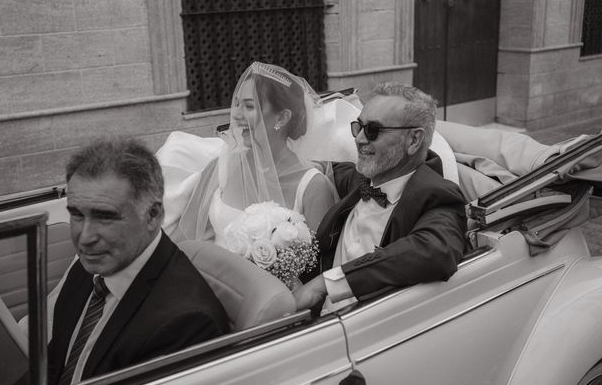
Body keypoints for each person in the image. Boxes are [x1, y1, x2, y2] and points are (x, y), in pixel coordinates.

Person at [0, 138, 229, 385]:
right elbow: (55, 364)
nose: (85, 237)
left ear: (153, 215)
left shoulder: (187, 323)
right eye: (77, 214)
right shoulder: (91, 268)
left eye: (105, 217)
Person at [294, 82, 467, 312]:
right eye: (359, 127)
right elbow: (314, 168)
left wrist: (326, 283)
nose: (359, 139)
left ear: (413, 140)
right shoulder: (360, 178)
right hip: (311, 320)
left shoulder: (438, 196)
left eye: (373, 130)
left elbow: (435, 251)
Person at [174, 62, 337, 243]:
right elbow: (186, 241)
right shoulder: (220, 168)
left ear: (282, 117)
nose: (236, 114)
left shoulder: (313, 187)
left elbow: (321, 262)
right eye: (237, 104)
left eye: (249, 106)